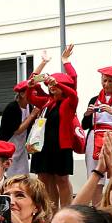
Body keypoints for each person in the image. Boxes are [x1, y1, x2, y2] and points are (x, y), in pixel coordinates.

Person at [25, 45, 80, 211]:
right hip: (43, 146)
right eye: (50, 85)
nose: (51, 87)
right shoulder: (47, 101)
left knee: (61, 180)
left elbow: (73, 92)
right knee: (44, 179)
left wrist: (66, 62)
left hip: (61, 146)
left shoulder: (68, 103)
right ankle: (51, 212)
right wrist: (42, 64)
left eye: (55, 85)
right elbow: (30, 93)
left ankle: (66, 210)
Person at [0, 82, 38, 179]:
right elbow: (17, 130)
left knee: (23, 176)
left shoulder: (29, 107)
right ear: (22, 94)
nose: (34, 93)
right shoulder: (12, 108)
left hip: (22, 147)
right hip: (8, 146)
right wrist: (32, 115)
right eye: (30, 91)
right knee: (8, 175)